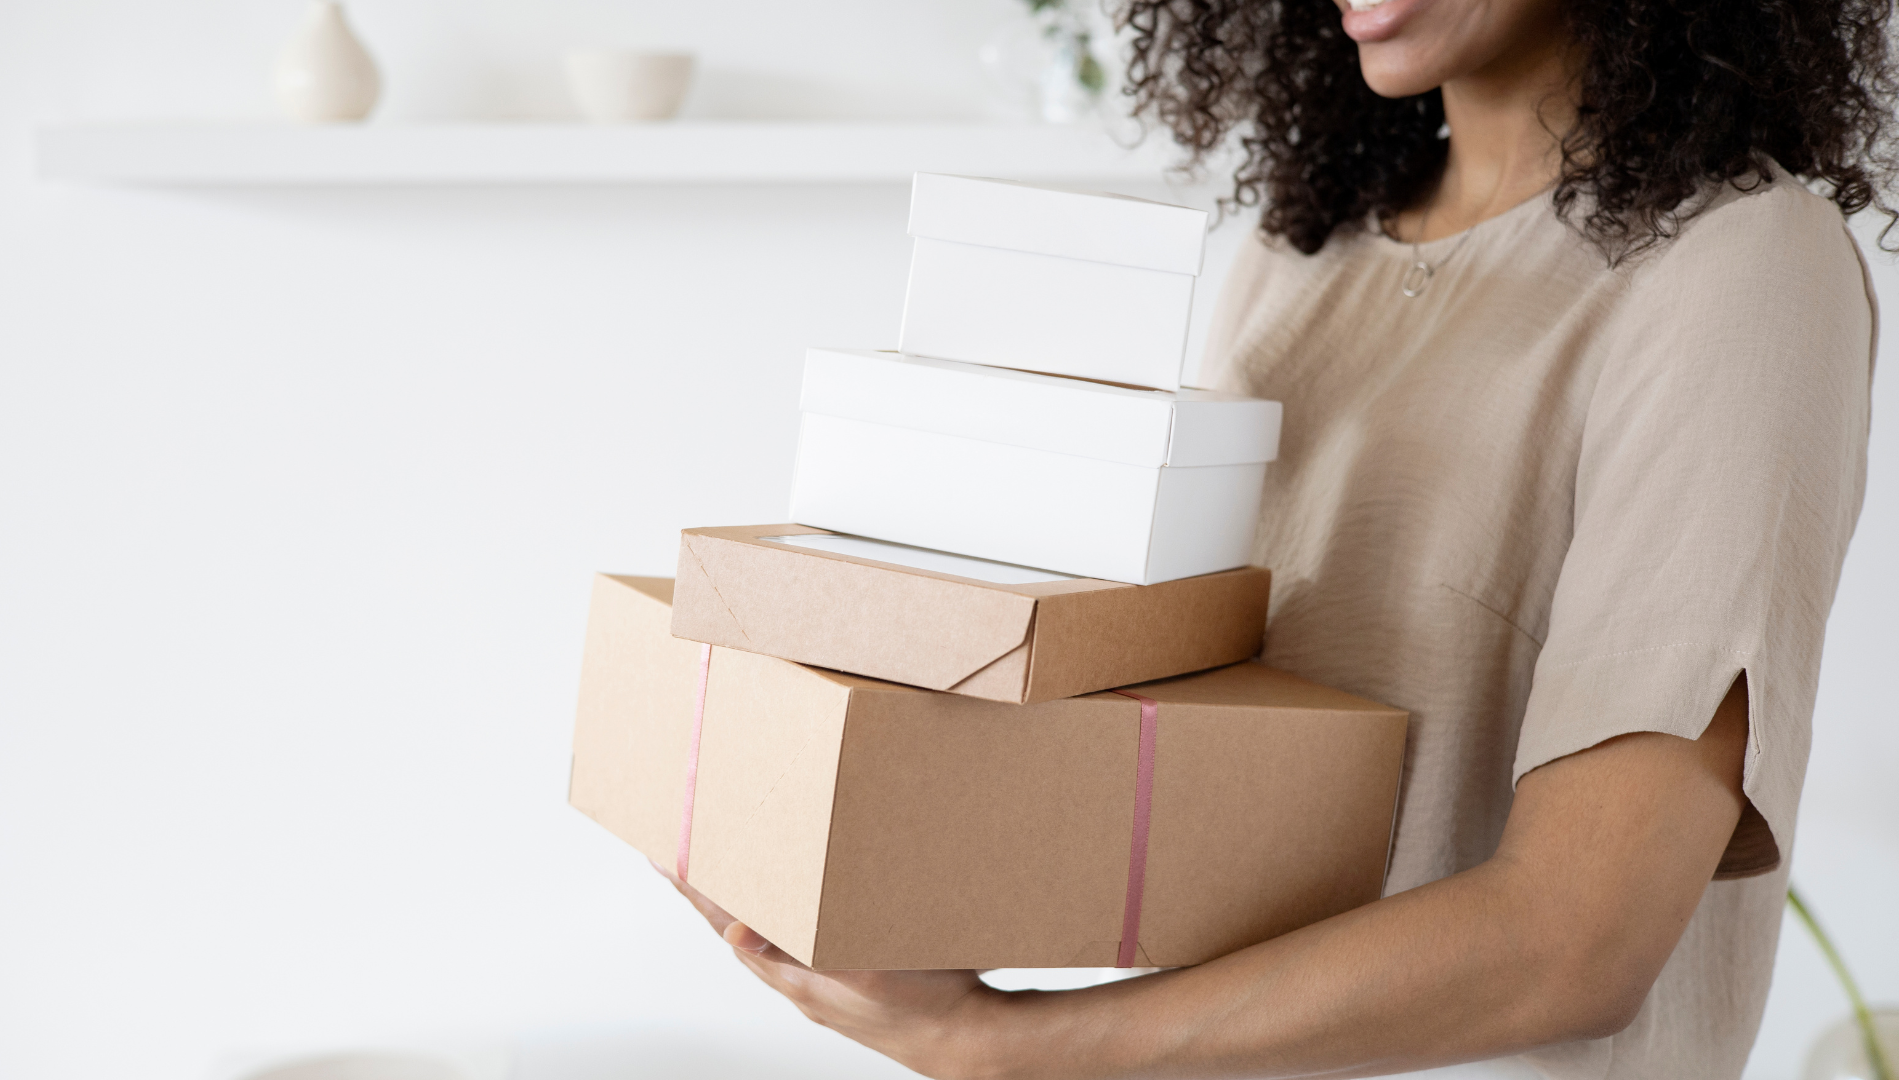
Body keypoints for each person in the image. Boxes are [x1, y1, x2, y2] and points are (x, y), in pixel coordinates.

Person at [660, 0, 1887, 1073]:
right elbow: (1197, 768)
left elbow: (1575, 942)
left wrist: (1001, 1051)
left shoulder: (1737, 268)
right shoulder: (1298, 258)